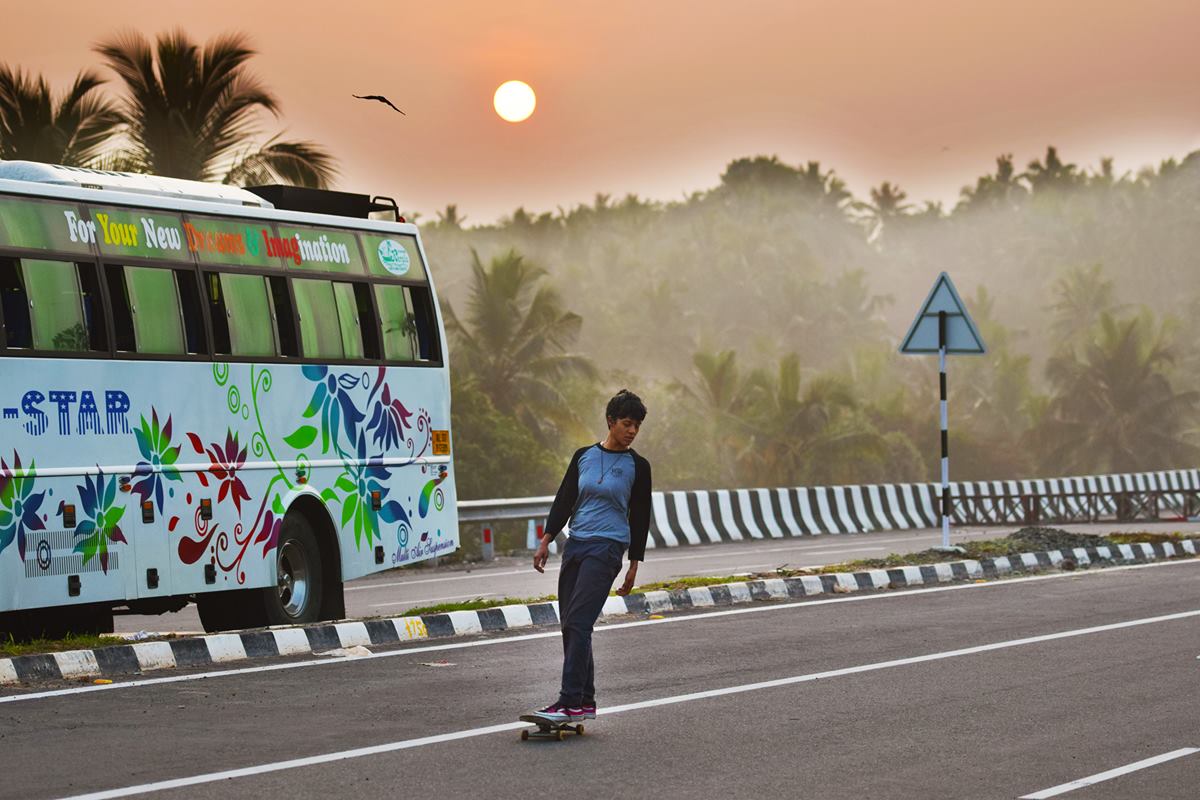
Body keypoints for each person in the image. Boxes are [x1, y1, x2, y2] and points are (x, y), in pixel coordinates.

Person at [527, 389, 652, 724]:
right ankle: (585, 699)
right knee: (571, 623)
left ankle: (568, 702)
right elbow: (565, 498)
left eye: (637, 425)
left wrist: (633, 564)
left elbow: (641, 515)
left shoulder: (638, 466)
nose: (632, 431)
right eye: (627, 423)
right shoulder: (583, 456)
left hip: (608, 548)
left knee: (580, 621)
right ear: (611, 421)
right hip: (577, 544)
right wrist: (546, 540)